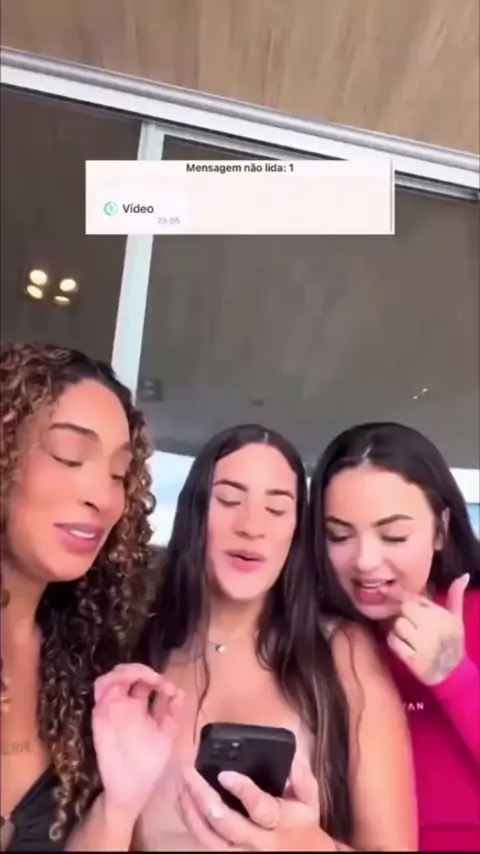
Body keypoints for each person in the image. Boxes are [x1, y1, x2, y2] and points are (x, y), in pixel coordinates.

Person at [100, 423, 417, 851]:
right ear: (196, 511)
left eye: (277, 508)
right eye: (229, 500)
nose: (251, 526)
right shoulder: (134, 650)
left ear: (296, 530)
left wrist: (307, 845)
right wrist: (114, 807)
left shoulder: (342, 651)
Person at [0, 342, 182, 852]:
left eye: (118, 475)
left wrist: (118, 804)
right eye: (69, 456)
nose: (102, 498)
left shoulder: (80, 665)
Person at [310, 421, 480, 852]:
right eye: (339, 536)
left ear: (440, 530)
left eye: (394, 535)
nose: (365, 561)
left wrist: (455, 677)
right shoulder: (319, 640)